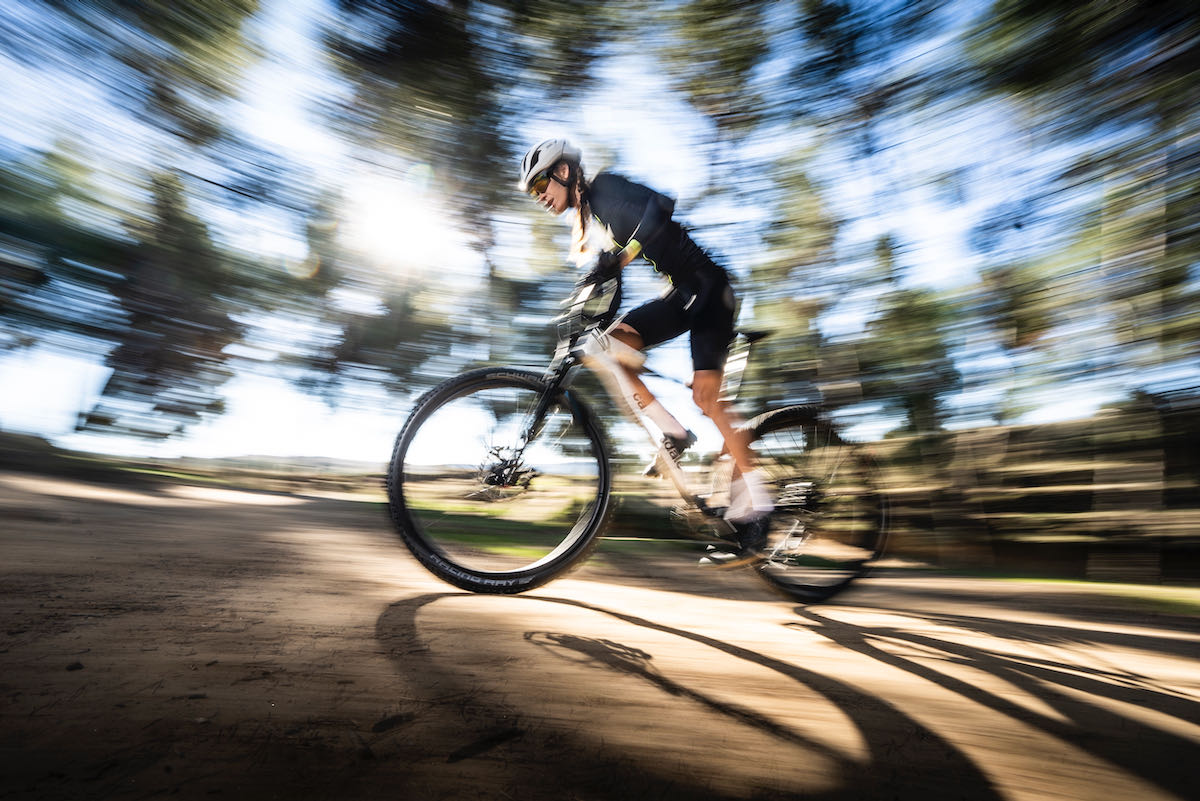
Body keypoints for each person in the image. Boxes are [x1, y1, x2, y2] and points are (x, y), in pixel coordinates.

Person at [518, 138, 773, 566]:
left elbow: (661, 207)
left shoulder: (605, 188)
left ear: (564, 171)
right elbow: (619, 262)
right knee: (612, 345)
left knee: (707, 398)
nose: (539, 195)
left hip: (709, 289)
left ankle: (762, 508)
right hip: (680, 293)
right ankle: (672, 432)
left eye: (541, 182)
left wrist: (620, 259)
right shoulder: (594, 212)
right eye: (532, 192)